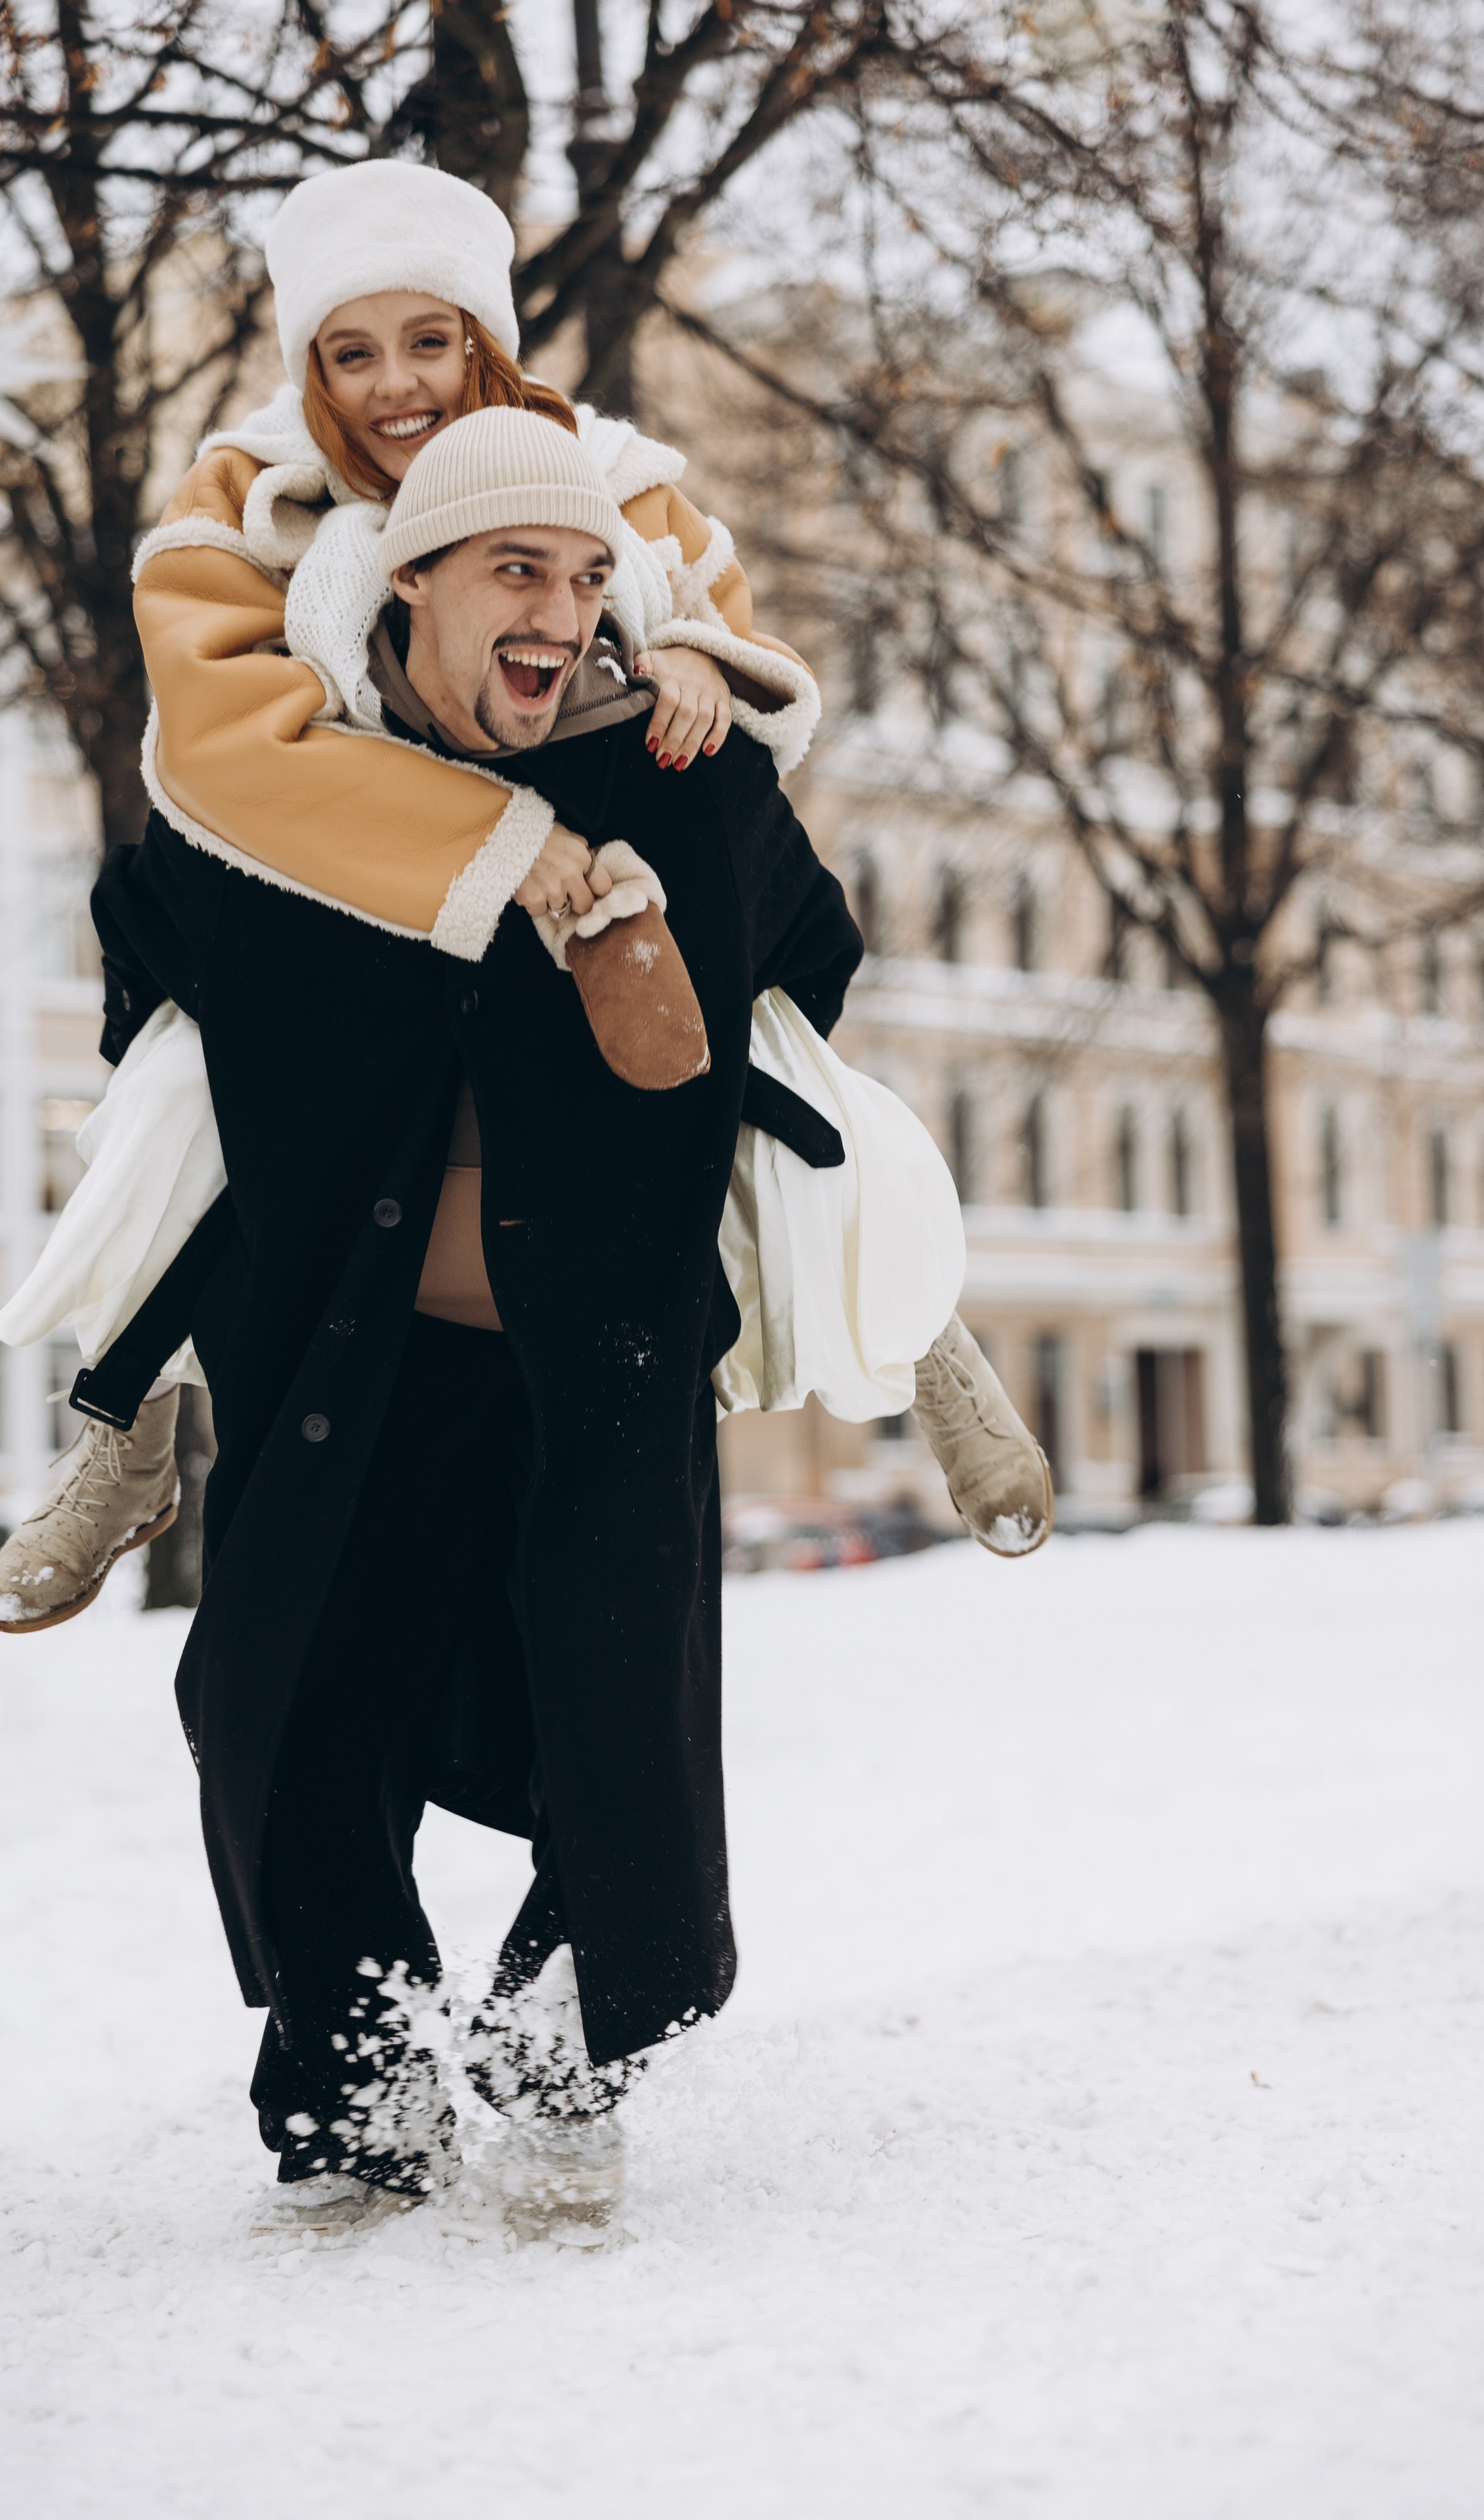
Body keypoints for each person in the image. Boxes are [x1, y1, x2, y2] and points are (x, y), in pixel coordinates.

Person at [0, 164, 1051, 1631]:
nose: (392, 386)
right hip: (340, 886)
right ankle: (126, 1438)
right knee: (174, 1098)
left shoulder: (615, 470)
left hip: (600, 859)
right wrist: (501, 842)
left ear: (481, 337)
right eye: (348, 353)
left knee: (755, 1052)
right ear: (307, 365)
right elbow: (230, 750)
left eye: (426, 341)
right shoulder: (238, 500)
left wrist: (693, 659)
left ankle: (923, 1323)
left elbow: (723, 625)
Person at [87, 410, 882, 2236]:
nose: (561, 610)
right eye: (517, 569)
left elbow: (817, 963)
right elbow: (144, 937)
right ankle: (357, 2078)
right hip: (343, 1361)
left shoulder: (672, 782)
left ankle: (564, 2044)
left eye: (591, 578)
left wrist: (696, 741)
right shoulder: (291, 811)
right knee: (281, 1711)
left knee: (614, 1719)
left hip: (595, 1362)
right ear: (413, 580)